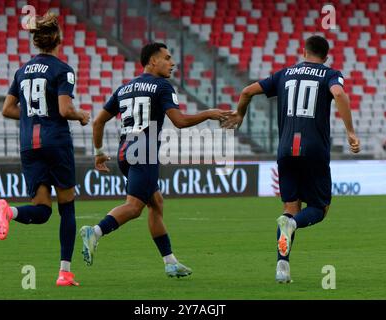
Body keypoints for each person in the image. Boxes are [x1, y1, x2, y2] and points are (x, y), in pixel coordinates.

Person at [79, 42, 231, 278]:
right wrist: (209, 113)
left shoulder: (124, 88)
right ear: (152, 61)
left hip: (124, 151)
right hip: (144, 150)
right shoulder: (162, 86)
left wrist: (99, 152)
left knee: (156, 203)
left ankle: (170, 262)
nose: (172, 63)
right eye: (167, 58)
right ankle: (95, 232)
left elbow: (98, 122)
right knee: (134, 207)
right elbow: (179, 121)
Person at [222, 35, 360, 283]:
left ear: (303, 52)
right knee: (319, 209)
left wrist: (240, 114)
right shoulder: (330, 74)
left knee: (288, 210)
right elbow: (339, 94)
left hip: (286, 149)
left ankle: (282, 267)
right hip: (314, 149)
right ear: (325, 57)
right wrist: (350, 131)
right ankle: (295, 224)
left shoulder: (284, 74)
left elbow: (246, 91)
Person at [0, 12, 90, 286]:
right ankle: (64, 273)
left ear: (36, 41)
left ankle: (8, 212)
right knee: (67, 208)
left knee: (43, 210)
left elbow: (7, 109)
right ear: (58, 39)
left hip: (29, 145)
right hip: (56, 141)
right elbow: (64, 109)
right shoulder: (63, 70)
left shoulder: (21, 71)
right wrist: (81, 115)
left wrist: (30, 117)